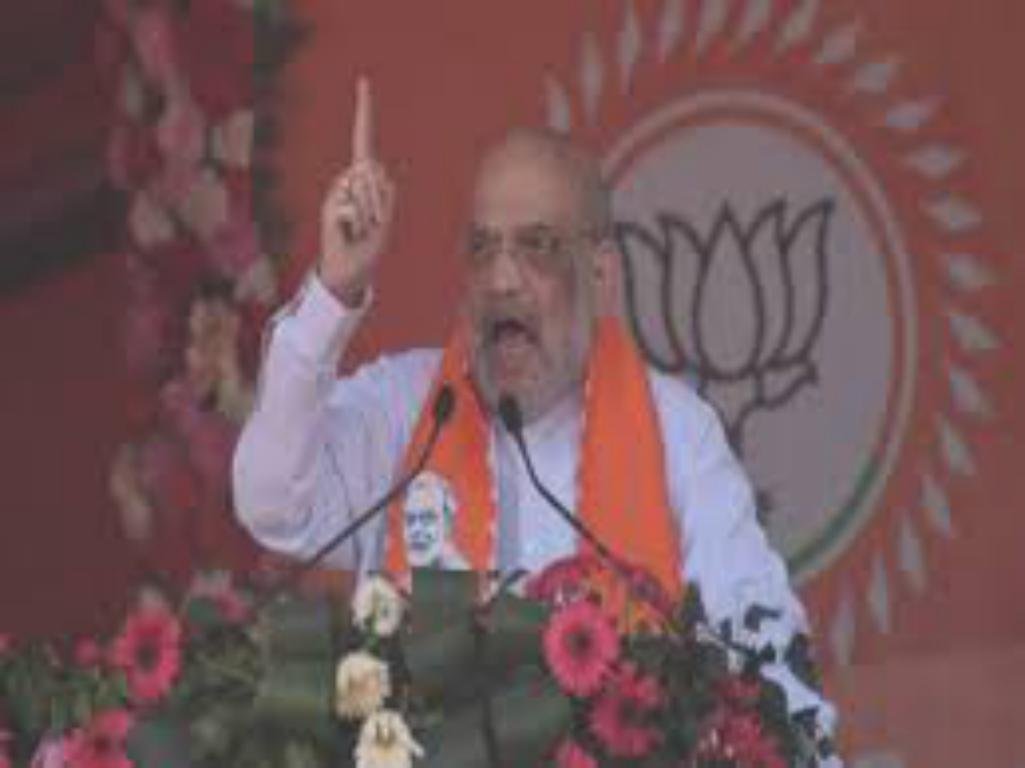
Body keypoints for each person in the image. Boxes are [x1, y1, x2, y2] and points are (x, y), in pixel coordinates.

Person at [232, 77, 839, 755]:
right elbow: (273, 503)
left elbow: (764, 663)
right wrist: (335, 289)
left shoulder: (675, 432)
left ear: (600, 275)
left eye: (537, 246)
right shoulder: (411, 407)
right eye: (482, 248)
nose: (502, 280)